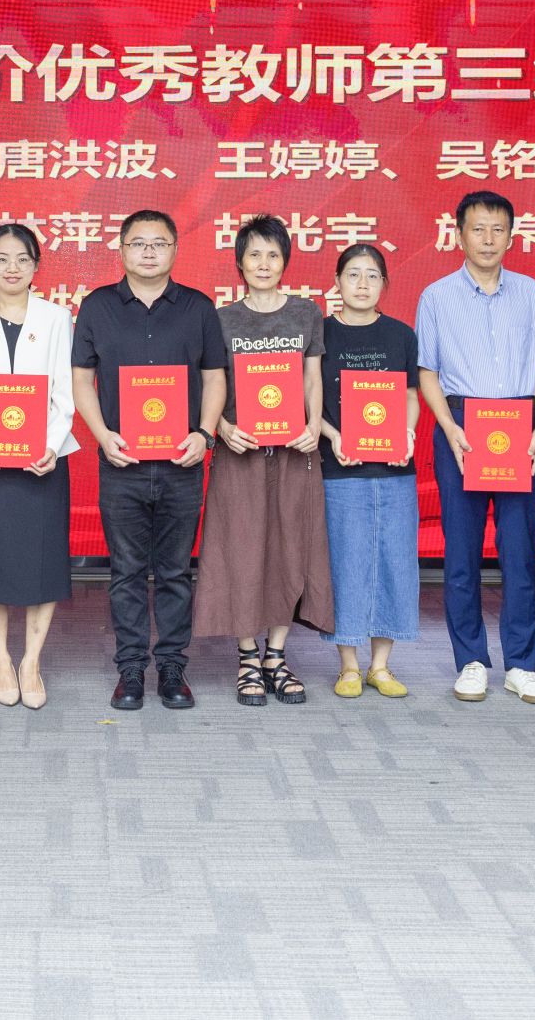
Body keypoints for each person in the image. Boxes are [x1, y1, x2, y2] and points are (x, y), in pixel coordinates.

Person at [72, 209, 227, 712]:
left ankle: (174, 668)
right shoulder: (97, 307)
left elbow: (215, 376)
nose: (148, 252)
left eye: (159, 243)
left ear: (175, 250)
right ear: (121, 250)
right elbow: (81, 379)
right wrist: (102, 435)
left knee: (177, 572)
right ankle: (132, 669)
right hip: (122, 465)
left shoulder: (198, 308)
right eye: (138, 243)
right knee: (126, 572)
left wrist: (205, 433)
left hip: (183, 464)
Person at [415, 190, 535, 705]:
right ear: (459, 235)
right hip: (462, 429)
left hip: (520, 429)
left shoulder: (533, 293)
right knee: (461, 554)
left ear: (512, 237)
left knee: (520, 554)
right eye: (478, 229)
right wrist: (449, 427)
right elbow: (427, 370)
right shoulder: (436, 296)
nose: (488, 239)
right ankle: (470, 660)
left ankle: (522, 664)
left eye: (498, 229)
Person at [195, 215, 332, 707]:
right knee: (243, 550)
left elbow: (312, 377)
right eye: (254, 254)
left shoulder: (305, 314)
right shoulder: (221, 319)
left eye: (273, 254)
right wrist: (221, 427)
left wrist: (313, 424)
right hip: (241, 454)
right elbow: (210, 384)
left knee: (290, 549)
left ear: (285, 261)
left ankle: (277, 654)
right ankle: (248, 656)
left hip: (295, 453)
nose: (264, 263)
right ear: (240, 262)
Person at [0, 223, 78, 710]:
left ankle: (32, 662)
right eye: (2, 259)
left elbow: (64, 391)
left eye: (23, 259)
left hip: (43, 460)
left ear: (36, 265)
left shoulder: (57, 317)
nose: (12, 268)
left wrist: (49, 445)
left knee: (43, 561)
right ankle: (2, 659)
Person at [317, 244, 420, 700]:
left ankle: (381, 666)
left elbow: (411, 395)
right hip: (340, 469)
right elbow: (306, 400)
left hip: (396, 469)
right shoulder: (320, 335)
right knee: (348, 564)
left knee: (395, 563)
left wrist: (408, 433)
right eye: (353, 274)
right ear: (337, 282)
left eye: (372, 275)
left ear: (384, 284)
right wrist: (333, 435)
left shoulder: (400, 335)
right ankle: (348, 666)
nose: (362, 284)